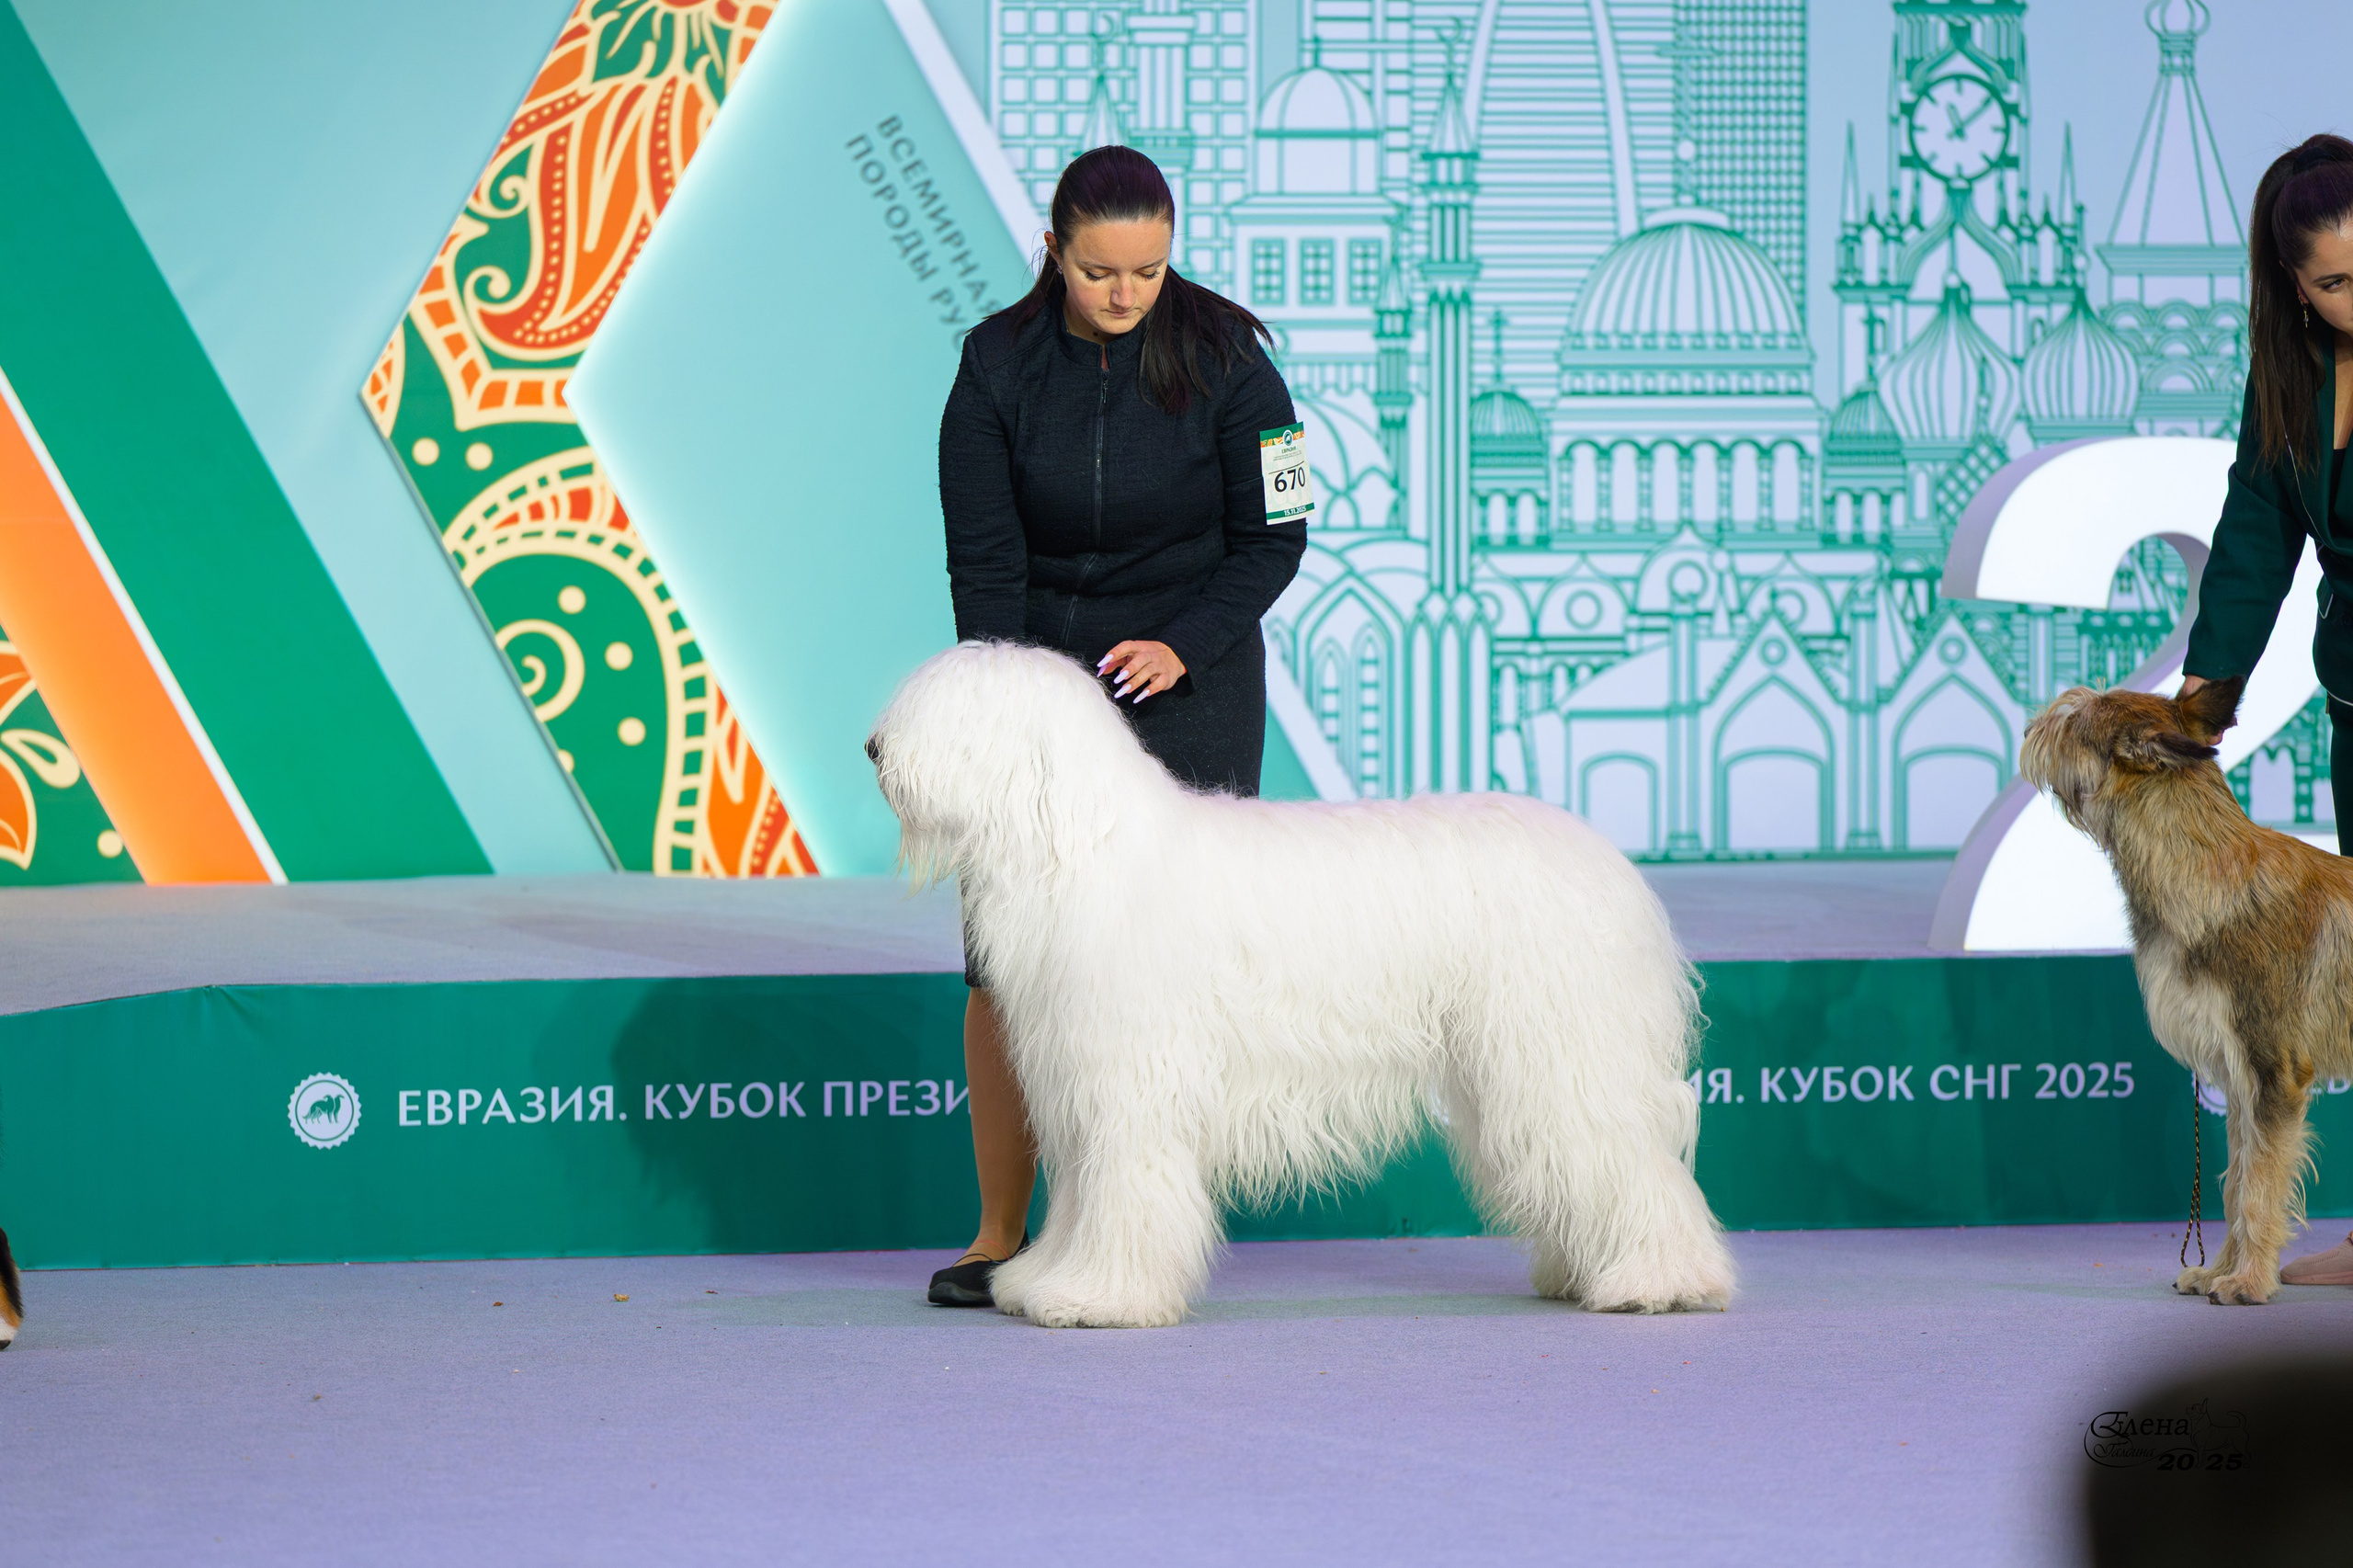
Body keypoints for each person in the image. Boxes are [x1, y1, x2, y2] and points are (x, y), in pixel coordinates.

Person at [926, 146, 1308, 1306]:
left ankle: (1135, 1229)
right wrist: (1021, 702)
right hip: (1039, 705)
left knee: (1167, 969)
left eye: (1147, 268)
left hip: (1188, 691)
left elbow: (1275, 536)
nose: (1127, 293)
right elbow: (983, 569)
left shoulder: (1233, 361)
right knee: (1005, 973)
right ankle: (1002, 1233)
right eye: (1100, 271)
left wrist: (1184, 640)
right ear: (1053, 250)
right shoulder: (992, 365)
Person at [2177, 133, 2353, 1287]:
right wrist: (2203, 699)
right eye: (2336, 281)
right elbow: (2253, 539)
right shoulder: (2285, 378)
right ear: (2295, 284)